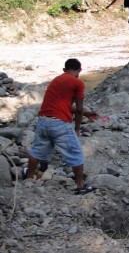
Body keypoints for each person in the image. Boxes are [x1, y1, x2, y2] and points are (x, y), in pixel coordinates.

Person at [24, 59, 98, 195]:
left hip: (43, 121)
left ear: (64, 70)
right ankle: (80, 186)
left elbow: (62, 105)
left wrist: (86, 113)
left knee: (36, 151)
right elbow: (79, 109)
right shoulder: (77, 83)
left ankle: (28, 179)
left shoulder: (56, 80)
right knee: (76, 154)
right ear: (79, 71)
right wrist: (77, 128)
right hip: (59, 124)